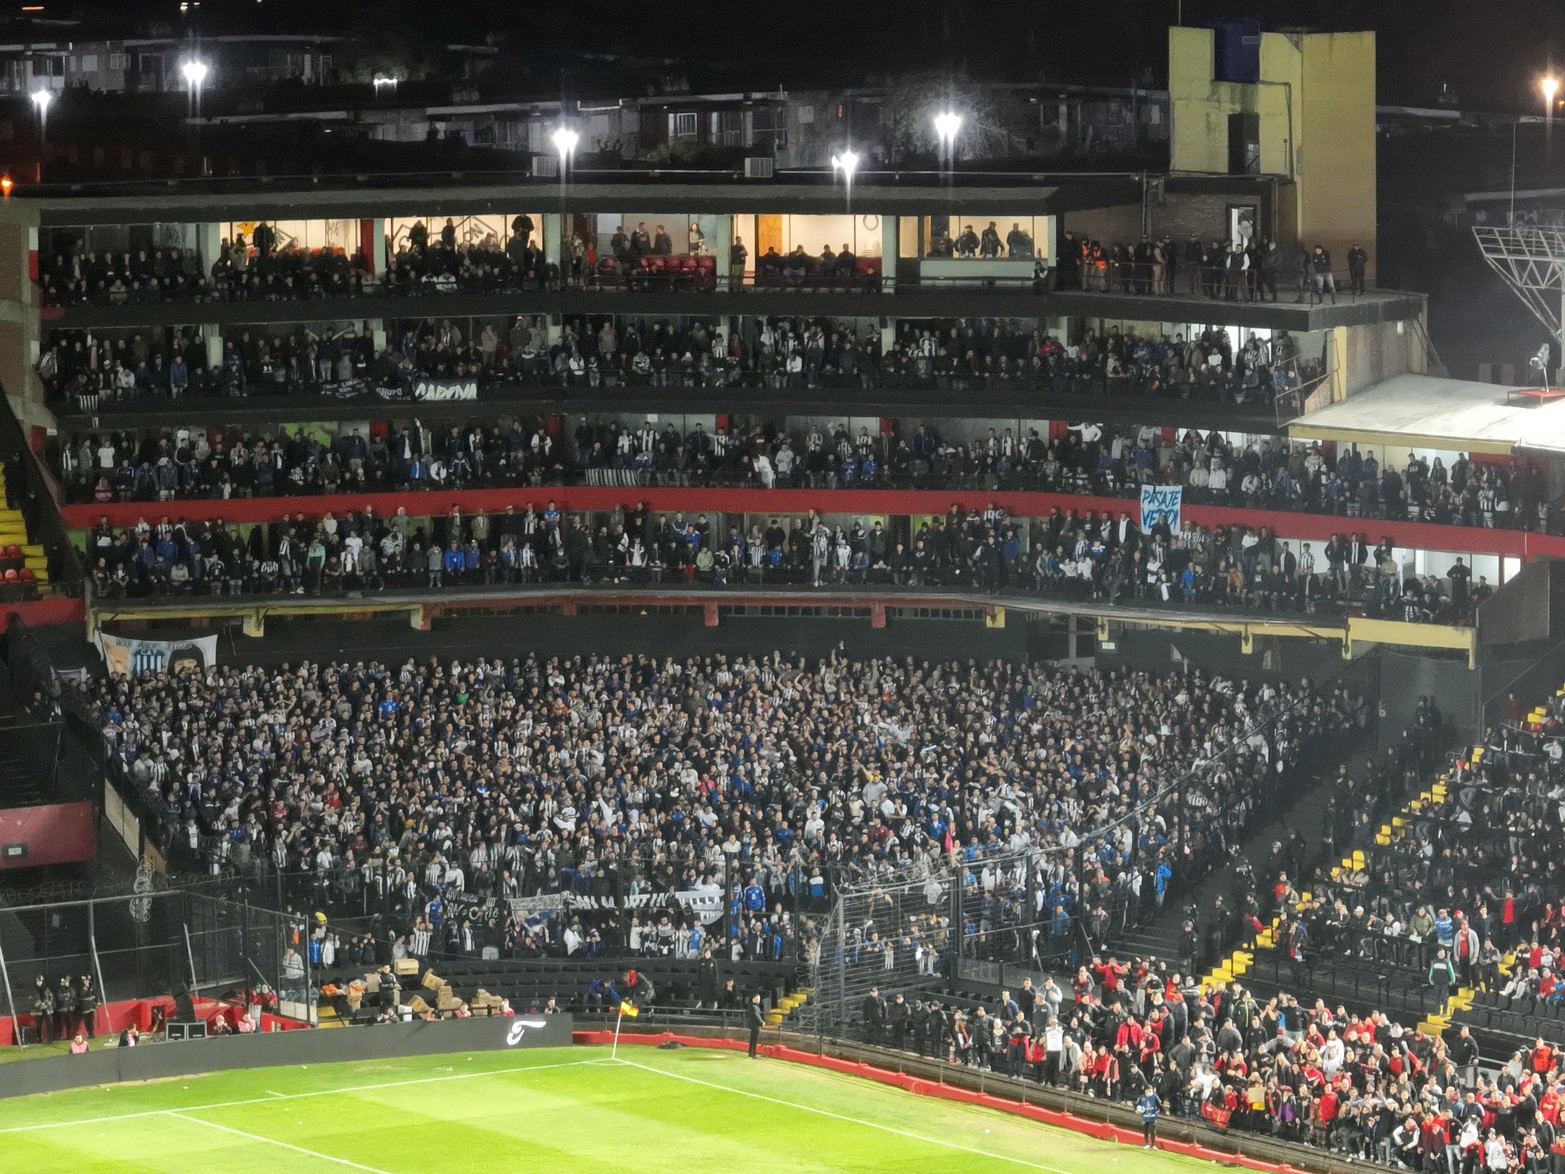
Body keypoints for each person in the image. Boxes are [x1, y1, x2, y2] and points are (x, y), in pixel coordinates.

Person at [1137, 1083, 1161, 1149]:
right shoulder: (1142, 1097)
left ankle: (1153, 1145)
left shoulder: (1154, 1096)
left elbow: (1159, 1105)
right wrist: (1137, 1110)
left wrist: (1163, 1111)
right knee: (1145, 1130)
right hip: (1145, 1116)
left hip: (1153, 1116)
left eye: (1151, 1090)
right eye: (1149, 1090)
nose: (1150, 1091)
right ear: (1145, 1090)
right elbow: (1137, 1105)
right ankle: (1146, 1143)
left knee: (1153, 1130)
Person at [748, 992, 764, 1058]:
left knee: (753, 1040)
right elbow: (756, 1016)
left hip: (754, 1025)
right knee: (754, 1040)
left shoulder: (754, 1006)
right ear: (753, 999)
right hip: (755, 1025)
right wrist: (762, 1022)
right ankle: (753, 1054)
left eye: (759, 999)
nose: (758, 1000)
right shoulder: (754, 1007)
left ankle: (751, 1053)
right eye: (757, 998)